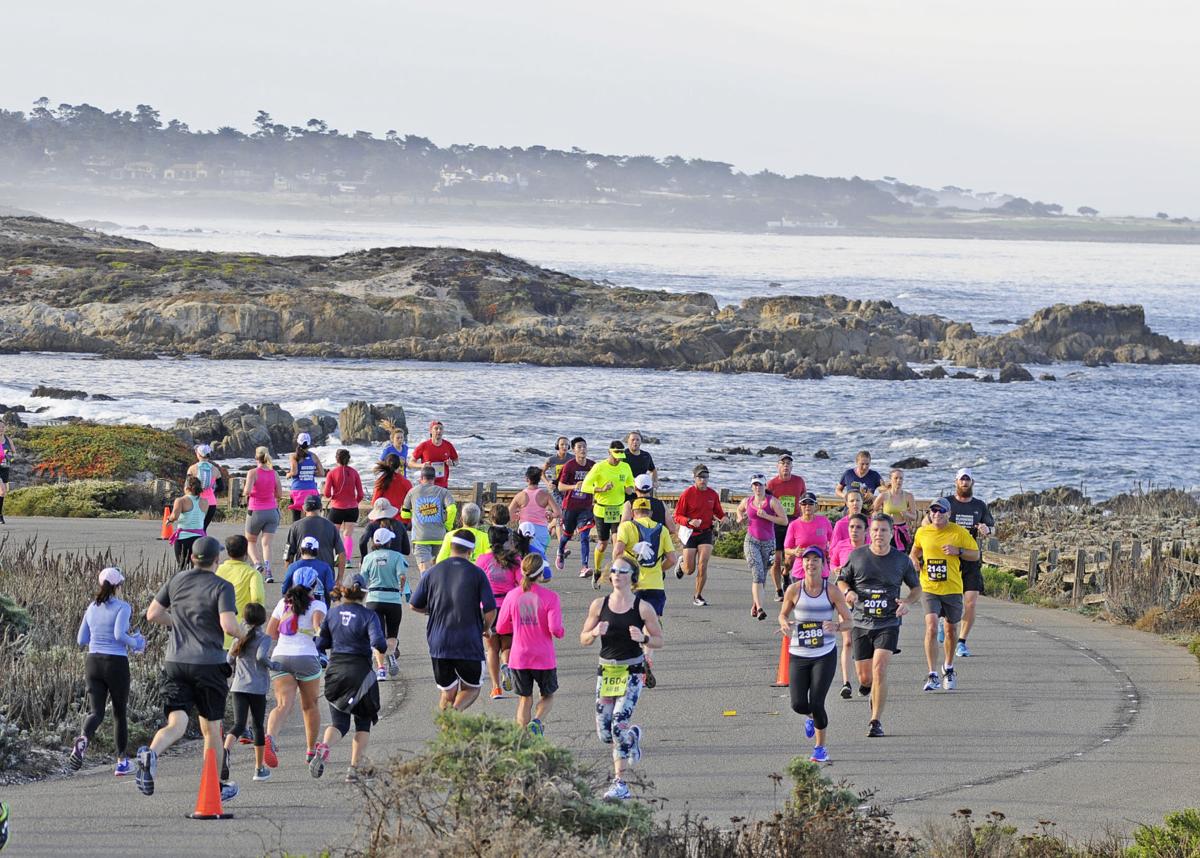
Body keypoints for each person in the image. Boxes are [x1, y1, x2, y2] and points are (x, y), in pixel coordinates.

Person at [137, 537, 241, 801]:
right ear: (217, 561)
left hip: (176, 662)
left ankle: (151, 754)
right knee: (212, 729)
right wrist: (244, 635)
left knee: (177, 722)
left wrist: (177, 624)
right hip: (208, 664)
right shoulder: (222, 586)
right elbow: (228, 625)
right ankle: (215, 787)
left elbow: (152, 614)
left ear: (193, 558)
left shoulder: (177, 580)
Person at [580, 556, 664, 801]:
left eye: (622, 571)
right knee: (605, 733)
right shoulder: (599, 605)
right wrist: (594, 632)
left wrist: (644, 639)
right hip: (606, 671)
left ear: (633, 577)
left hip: (632, 671)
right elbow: (583, 638)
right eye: (614, 570)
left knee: (618, 723)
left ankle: (620, 784)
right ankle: (633, 737)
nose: (616, 574)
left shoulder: (642, 608)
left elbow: (659, 640)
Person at [837, 514, 922, 738]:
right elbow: (842, 579)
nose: (878, 535)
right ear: (869, 533)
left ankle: (876, 721)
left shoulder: (901, 560)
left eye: (883, 530)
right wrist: (849, 592)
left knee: (880, 669)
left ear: (891, 533)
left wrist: (907, 603)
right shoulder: (857, 556)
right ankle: (869, 689)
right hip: (861, 622)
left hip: (888, 622)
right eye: (875, 530)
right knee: (865, 678)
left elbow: (916, 588)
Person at [409, 530, 497, 712]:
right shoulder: (477, 573)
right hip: (468, 641)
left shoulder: (432, 572)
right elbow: (490, 609)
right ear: (471, 551)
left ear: (450, 546)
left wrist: (432, 611)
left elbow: (414, 605)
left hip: (439, 641)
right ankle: (453, 716)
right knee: (472, 688)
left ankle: (445, 729)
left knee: (447, 692)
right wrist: (485, 627)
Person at [779, 546, 853, 763]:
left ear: (823, 566)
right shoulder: (794, 589)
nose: (811, 564)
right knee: (799, 705)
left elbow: (849, 621)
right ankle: (810, 716)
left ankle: (820, 748)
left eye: (815, 560)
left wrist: (837, 627)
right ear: (802, 564)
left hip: (824, 653)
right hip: (799, 652)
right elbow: (782, 615)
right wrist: (784, 624)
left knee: (817, 701)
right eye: (807, 560)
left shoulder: (831, 591)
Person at [71, 567, 147, 776]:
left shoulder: (91, 607)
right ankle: (122, 761)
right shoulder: (123, 607)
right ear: (117, 587)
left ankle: (83, 738)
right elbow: (118, 634)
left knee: (96, 712)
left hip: (93, 661)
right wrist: (137, 643)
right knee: (119, 713)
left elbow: (81, 640)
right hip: (115, 663)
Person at [311, 575, 387, 783]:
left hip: (335, 672)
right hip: (360, 673)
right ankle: (353, 770)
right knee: (363, 723)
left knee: (339, 723)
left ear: (343, 590)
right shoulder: (369, 616)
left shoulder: (333, 614)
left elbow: (320, 643)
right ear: (364, 593)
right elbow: (379, 643)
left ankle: (325, 747)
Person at [910, 497, 979, 692]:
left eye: (941, 511)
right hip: (929, 587)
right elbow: (914, 552)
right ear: (929, 513)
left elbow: (975, 554)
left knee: (950, 630)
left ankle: (948, 667)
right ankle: (932, 674)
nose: (937, 514)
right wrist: (914, 560)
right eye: (933, 511)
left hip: (952, 588)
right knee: (931, 626)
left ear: (948, 513)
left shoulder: (959, 532)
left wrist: (958, 551)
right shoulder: (923, 532)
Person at [263, 567, 328, 769]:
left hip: (280, 657)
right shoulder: (318, 604)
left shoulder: (283, 603)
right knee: (310, 705)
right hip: (306, 657)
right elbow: (318, 625)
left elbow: (270, 633)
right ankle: (310, 750)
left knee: (282, 705)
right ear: (315, 585)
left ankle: (270, 737)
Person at [495, 554, 565, 735]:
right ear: (541, 574)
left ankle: (522, 738)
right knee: (547, 696)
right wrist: (561, 632)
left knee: (524, 699)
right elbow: (555, 629)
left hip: (519, 657)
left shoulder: (512, 596)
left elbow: (501, 627)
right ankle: (537, 721)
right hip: (543, 657)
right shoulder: (550, 597)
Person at [612, 497, 677, 689]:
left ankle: (629, 662)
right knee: (651, 622)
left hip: (632, 584)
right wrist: (659, 568)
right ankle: (647, 658)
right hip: (655, 584)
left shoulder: (626, 527)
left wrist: (626, 562)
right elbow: (673, 559)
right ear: (649, 512)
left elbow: (617, 552)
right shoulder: (662, 529)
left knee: (628, 623)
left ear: (633, 513)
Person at [221, 602, 272, 784]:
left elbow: (229, 659)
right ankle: (259, 768)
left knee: (239, 724)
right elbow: (261, 657)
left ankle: (225, 751)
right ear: (262, 619)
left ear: (245, 618)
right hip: (257, 687)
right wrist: (272, 665)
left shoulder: (239, 637)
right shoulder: (264, 638)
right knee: (258, 726)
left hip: (238, 686)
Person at [476, 525, 529, 699]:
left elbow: (476, 586)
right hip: (509, 607)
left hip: (488, 608)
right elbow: (523, 585)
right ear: (506, 541)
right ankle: (506, 664)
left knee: (491, 649)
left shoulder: (482, 560)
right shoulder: (515, 559)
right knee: (507, 645)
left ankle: (496, 687)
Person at [946, 468, 994, 657]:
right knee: (949, 600)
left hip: (971, 557)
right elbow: (929, 521)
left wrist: (986, 530)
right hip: (949, 558)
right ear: (956, 482)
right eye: (961, 480)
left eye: (968, 480)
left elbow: (992, 527)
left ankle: (962, 641)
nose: (964, 483)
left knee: (971, 602)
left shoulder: (979, 505)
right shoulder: (947, 503)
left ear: (972, 482)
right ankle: (946, 625)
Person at [581, 440, 636, 586]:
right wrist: (601, 489)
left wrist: (629, 489)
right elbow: (585, 487)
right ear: (609, 452)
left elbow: (631, 484)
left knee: (619, 542)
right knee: (603, 544)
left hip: (619, 509)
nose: (619, 457)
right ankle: (598, 570)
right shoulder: (599, 467)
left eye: (620, 454)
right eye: (616, 453)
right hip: (602, 509)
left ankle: (615, 571)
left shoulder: (625, 467)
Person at [673, 464, 726, 606]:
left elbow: (719, 512)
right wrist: (690, 521)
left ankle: (698, 595)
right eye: (700, 477)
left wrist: (723, 517)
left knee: (703, 565)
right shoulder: (687, 494)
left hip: (706, 533)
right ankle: (681, 563)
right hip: (690, 533)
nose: (703, 480)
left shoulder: (712, 494)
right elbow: (677, 516)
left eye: (705, 477)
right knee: (689, 570)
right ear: (694, 478)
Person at [737, 474, 787, 621]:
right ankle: (760, 609)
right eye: (755, 485)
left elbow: (784, 521)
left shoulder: (773, 502)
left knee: (762, 576)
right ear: (752, 487)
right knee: (757, 572)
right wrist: (741, 518)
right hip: (751, 541)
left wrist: (766, 516)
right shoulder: (748, 501)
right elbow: (739, 510)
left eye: (760, 485)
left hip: (769, 543)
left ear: (765, 486)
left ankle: (755, 603)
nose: (757, 488)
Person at [829, 512, 868, 699]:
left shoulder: (870, 549)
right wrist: (836, 570)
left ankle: (865, 680)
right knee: (847, 641)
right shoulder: (840, 546)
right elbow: (833, 565)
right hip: (844, 599)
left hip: (866, 600)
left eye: (858, 527)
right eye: (851, 527)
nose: (854, 531)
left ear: (866, 531)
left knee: (865, 642)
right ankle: (846, 683)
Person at [361, 527, 407, 680]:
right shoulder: (397, 556)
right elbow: (402, 576)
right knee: (392, 635)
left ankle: (381, 669)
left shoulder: (368, 558)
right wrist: (400, 589)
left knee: (377, 636)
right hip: (393, 599)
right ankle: (391, 654)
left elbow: (362, 580)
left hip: (373, 598)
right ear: (389, 542)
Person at [402, 465, 458, 574]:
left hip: (420, 537)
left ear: (421, 478)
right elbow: (452, 509)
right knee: (438, 570)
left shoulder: (412, 492)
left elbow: (404, 514)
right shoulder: (443, 491)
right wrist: (448, 525)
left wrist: (416, 514)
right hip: (439, 536)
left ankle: (427, 590)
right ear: (434, 478)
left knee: (425, 571)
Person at [766, 454, 806, 602]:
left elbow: (804, 500)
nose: (786, 466)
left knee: (791, 558)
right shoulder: (771, 484)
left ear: (792, 466)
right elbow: (766, 503)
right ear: (778, 466)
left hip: (793, 523)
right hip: (776, 524)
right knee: (776, 559)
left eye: (788, 463)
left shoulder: (799, 481)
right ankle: (778, 590)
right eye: (783, 463)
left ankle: (786, 574)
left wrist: (804, 519)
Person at [242, 446, 285, 581]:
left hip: (256, 510)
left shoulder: (253, 473)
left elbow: (247, 491)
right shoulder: (275, 473)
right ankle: (269, 572)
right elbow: (279, 494)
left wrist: (249, 492)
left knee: (251, 540)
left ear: (256, 458)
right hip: (272, 511)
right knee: (266, 544)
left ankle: (256, 563)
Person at [215, 535, 266, 649]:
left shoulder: (217, 570)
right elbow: (257, 599)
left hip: (216, 633)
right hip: (240, 633)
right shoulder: (252, 573)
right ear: (246, 553)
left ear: (228, 552)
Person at [556, 437, 595, 579]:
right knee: (567, 535)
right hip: (570, 507)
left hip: (585, 507)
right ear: (573, 450)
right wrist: (574, 486)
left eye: (584, 446)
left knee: (585, 536)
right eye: (579, 447)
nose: (582, 449)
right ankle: (560, 552)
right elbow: (560, 486)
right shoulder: (569, 466)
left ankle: (584, 567)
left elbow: (598, 482)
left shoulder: (592, 466)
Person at [283, 495, 346, 580]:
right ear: (321, 508)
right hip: (325, 575)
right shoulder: (331, 526)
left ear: (304, 508)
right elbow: (341, 553)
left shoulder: (295, 526)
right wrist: (339, 579)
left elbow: (288, 555)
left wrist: (289, 578)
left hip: (302, 576)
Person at [509, 466, 561, 563]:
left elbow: (509, 514)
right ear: (539, 480)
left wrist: (518, 516)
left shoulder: (520, 495)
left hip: (524, 530)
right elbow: (558, 513)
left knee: (524, 559)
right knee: (539, 560)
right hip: (541, 531)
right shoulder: (545, 495)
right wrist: (550, 514)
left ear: (527, 479)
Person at [323, 448, 364, 566]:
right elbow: (360, 494)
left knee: (334, 534)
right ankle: (347, 560)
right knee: (348, 535)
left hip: (337, 508)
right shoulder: (354, 472)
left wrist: (333, 496)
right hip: (352, 508)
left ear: (336, 459)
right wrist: (354, 502)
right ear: (349, 459)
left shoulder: (332, 473)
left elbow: (326, 494)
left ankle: (334, 557)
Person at [783, 492, 833, 581]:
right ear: (799, 506)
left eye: (810, 503)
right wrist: (794, 551)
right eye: (804, 503)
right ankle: (785, 578)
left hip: (821, 568)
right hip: (801, 569)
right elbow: (786, 549)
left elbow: (833, 541)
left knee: (821, 594)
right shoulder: (794, 525)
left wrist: (830, 553)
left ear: (816, 506)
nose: (807, 506)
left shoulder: (824, 521)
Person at [167, 476, 209, 569]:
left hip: (183, 538)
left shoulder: (180, 500)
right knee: (198, 568)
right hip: (199, 538)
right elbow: (202, 517)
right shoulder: (205, 502)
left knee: (182, 567)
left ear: (186, 487)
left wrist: (169, 519)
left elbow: (175, 516)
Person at [187, 444, 229, 531]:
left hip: (196, 501)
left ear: (198, 454)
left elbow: (187, 487)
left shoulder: (192, 468)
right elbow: (221, 487)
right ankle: (203, 544)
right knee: (203, 529)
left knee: (194, 529)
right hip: (211, 503)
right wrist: (212, 491)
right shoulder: (215, 469)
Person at [283, 536, 336, 604]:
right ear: (316, 551)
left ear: (301, 549)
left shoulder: (293, 567)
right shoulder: (325, 567)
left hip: (297, 606)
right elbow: (330, 589)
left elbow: (284, 589)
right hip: (319, 607)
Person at [873, 468, 918, 551]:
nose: (898, 481)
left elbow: (914, 517)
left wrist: (906, 514)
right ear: (891, 480)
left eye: (901, 478)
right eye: (896, 478)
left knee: (901, 557)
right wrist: (882, 517)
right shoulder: (884, 496)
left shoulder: (909, 496)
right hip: (887, 529)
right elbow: (873, 511)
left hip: (902, 530)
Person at [287, 433, 324, 523]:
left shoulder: (293, 456)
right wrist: (310, 472)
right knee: (310, 515)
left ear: (297, 442)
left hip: (297, 490)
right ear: (309, 444)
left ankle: (296, 534)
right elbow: (322, 473)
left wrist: (288, 474)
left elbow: (294, 472)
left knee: (296, 516)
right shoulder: (314, 456)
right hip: (311, 489)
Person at [410, 420, 458, 488]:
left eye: (441, 429)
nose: (439, 431)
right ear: (431, 431)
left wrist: (452, 463)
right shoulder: (424, 445)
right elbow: (411, 463)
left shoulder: (448, 445)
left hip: (443, 486)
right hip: (426, 485)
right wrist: (422, 465)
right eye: (436, 428)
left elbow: (456, 461)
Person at [371, 453, 412, 526]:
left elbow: (374, 502)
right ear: (399, 466)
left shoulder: (380, 481)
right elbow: (411, 503)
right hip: (401, 521)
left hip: (382, 519)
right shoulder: (406, 482)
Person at [542, 436, 571, 509]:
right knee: (560, 507)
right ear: (557, 446)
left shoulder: (572, 458)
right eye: (562, 444)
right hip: (555, 488)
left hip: (568, 487)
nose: (564, 447)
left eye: (566, 445)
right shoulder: (551, 459)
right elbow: (541, 473)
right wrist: (547, 483)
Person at [0, 421, 15, 524]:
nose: (0, 429)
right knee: (2, 490)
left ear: (5, 428)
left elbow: (14, 452)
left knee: (2, 493)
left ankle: (0, 515)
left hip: (5, 468)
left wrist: (9, 456)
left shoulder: (8, 440)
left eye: (2, 427)